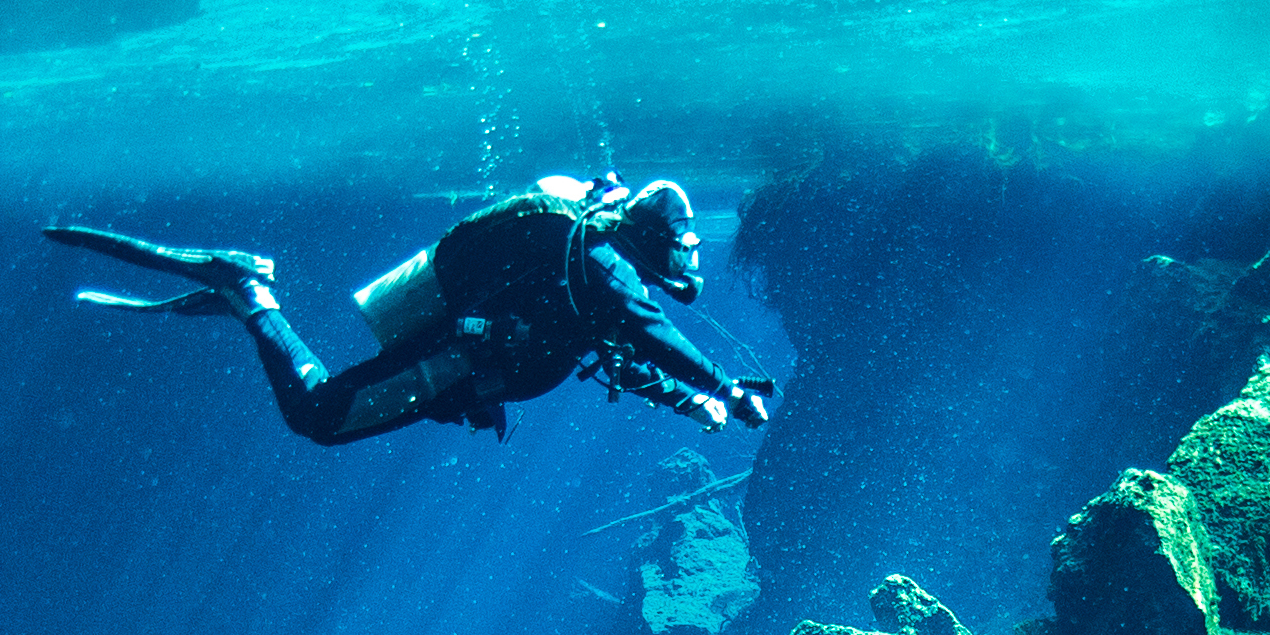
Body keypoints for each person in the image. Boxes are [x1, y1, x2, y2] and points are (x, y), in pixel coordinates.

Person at [44, 174, 772, 445]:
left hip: (460, 371)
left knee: (324, 417)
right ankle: (248, 293)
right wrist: (725, 389)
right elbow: (646, 333)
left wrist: (691, 402)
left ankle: (244, 302)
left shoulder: (596, 275)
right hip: (448, 362)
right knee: (320, 418)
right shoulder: (600, 269)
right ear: (648, 243)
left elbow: (621, 349)